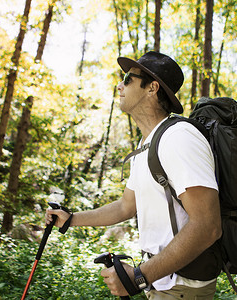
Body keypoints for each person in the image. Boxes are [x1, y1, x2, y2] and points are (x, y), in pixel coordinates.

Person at [45, 51, 221, 299]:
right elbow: (126, 207)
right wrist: (71, 219)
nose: (119, 84)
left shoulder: (179, 137)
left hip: (182, 287)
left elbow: (207, 226)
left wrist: (138, 277)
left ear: (152, 88)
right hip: (161, 284)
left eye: (128, 78)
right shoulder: (147, 145)